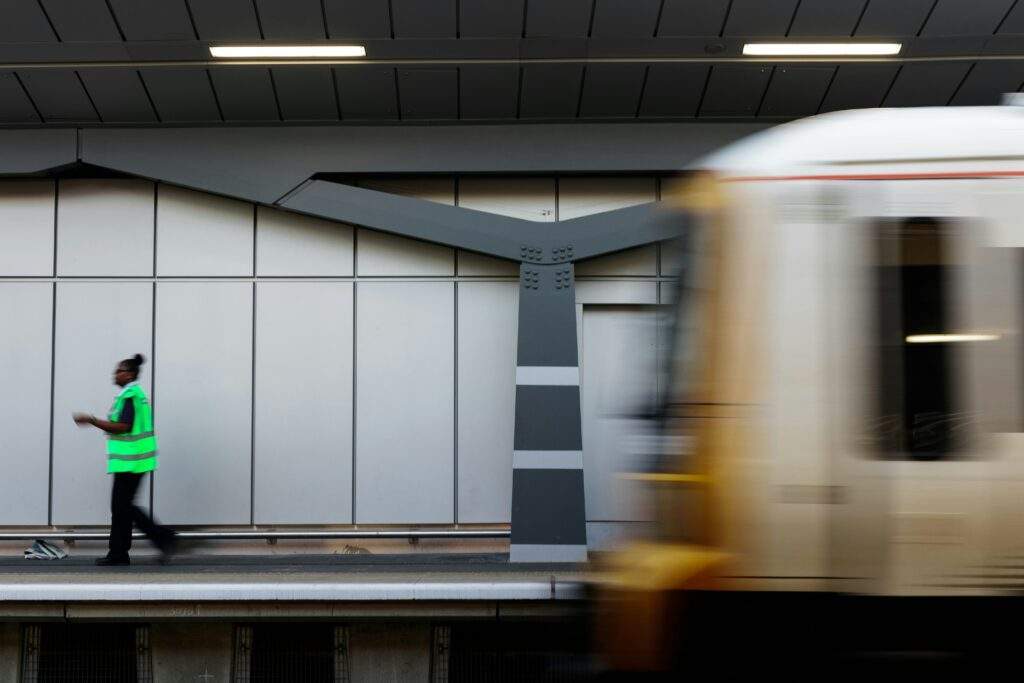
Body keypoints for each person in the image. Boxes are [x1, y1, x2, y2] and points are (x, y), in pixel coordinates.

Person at [73, 354, 177, 566]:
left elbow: (124, 426)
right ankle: (121, 552)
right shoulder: (133, 394)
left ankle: (163, 538)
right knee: (122, 508)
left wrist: (92, 420)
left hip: (131, 462)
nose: (115, 374)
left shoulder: (130, 395)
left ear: (129, 374)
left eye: (119, 371)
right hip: (133, 461)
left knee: (124, 507)